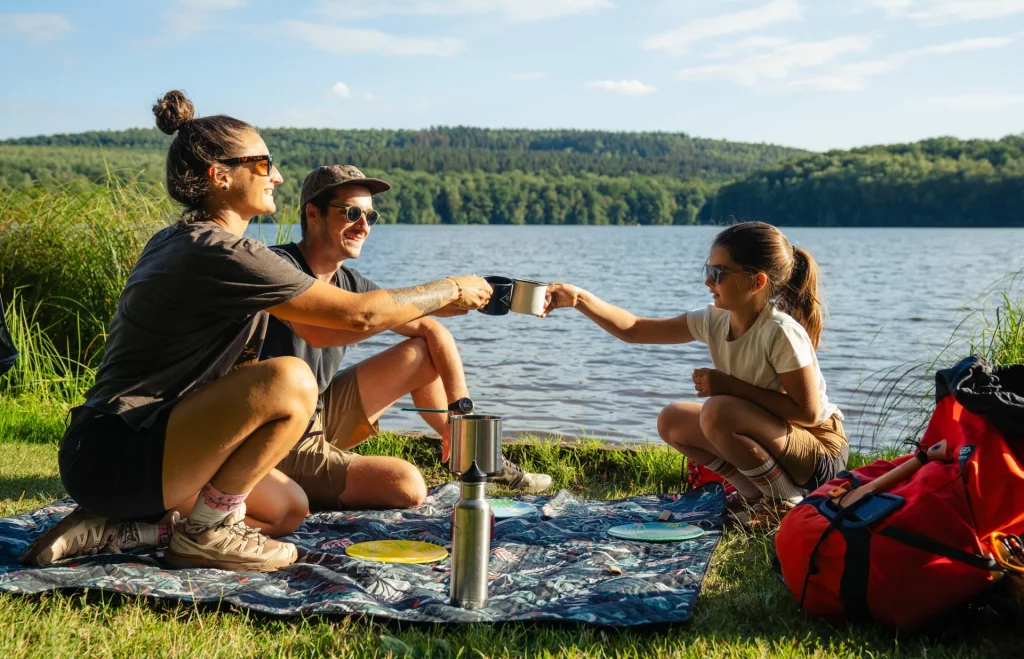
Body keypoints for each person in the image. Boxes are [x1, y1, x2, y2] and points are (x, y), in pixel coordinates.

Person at [20, 90, 492, 572]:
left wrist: (437, 308)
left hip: (126, 452)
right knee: (291, 379)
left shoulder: (184, 241)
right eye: (265, 164)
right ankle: (206, 531)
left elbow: (326, 332)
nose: (279, 177)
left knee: (290, 508)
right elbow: (359, 316)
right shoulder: (220, 252)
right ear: (219, 175)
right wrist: (451, 285)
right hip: (119, 451)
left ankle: (128, 528)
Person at [262, 165, 551, 511]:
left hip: (320, 415)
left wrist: (460, 413)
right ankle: (275, 488)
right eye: (352, 213)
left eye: (371, 215)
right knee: (408, 485)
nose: (364, 226)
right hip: (275, 436)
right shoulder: (278, 269)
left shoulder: (352, 283)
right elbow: (344, 322)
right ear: (313, 213)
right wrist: (449, 288)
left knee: (420, 353)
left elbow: (432, 330)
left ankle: (473, 455)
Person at [542, 221, 846, 527]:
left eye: (719, 273)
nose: (708, 282)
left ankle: (784, 502)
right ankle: (755, 497)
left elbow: (808, 414)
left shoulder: (780, 332)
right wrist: (578, 298)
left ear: (756, 282)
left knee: (718, 410)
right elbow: (634, 329)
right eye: (708, 270)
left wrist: (730, 386)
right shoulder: (715, 320)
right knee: (672, 419)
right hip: (776, 440)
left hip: (819, 453)